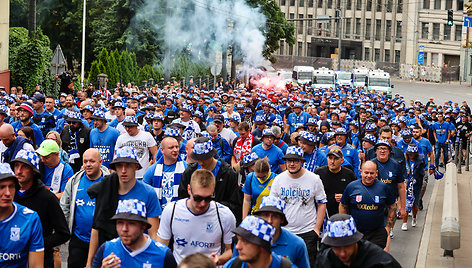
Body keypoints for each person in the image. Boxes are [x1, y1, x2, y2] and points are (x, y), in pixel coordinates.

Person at [85, 147, 162, 268]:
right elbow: (96, 227)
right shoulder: (106, 191)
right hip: (112, 255)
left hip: (140, 254)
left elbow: (154, 233)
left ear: (136, 167)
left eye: (128, 165)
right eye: (119, 166)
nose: (123, 170)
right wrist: (89, 263)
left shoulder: (148, 193)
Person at [157, 169, 236, 265]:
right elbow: (161, 249)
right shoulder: (171, 210)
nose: (202, 204)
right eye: (198, 198)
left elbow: (232, 252)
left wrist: (217, 260)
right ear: (189, 190)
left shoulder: (225, 215)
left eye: (208, 199)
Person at [269, 146, 327, 267]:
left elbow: (322, 203)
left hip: (307, 232)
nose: (292, 164)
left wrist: (316, 229)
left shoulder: (314, 179)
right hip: (284, 231)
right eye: (289, 160)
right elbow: (272, 206)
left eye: (295, 160)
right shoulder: (278, 180)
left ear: (301, 161)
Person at [11, 150, 70, 267]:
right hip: (13, 259)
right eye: (16, 166)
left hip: (41, 260)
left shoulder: (47, 198)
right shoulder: (9, 194)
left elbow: (63, 234)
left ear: (33, 171)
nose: (18, 171)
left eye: (24, 167)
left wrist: (37, 243)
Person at [60, 149, 110, 268]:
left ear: (100, 162)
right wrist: (65, 230)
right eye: (85, 161)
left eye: (92, 161)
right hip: (78, 239)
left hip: (103, 240)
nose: (88, 164)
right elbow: (64, 206)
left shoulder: (110, 182)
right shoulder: (74, 181)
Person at [91, 199, 177, 268]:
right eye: (120, 223)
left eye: (131, 223)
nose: (124, 229)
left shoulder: (163, 254)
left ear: (143, 225)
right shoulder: (106, 249)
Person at [178, 137, 241, 221]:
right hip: (195, 219)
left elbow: (235, 204)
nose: (201, 162)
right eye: (198, 159)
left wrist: (214, 206)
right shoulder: (189, 172)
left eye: (204, 158)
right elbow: (182, 199)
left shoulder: (227, 173)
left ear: (212, 155)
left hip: (219, 220)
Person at [339, 161, 397, 250]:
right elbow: (343, 206)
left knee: (374, 260)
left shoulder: (384, 187)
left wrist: (388, 228)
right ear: (361, 172)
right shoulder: (351, 187)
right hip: (356, 232)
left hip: (377, 233)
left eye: (372, 173)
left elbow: (392, 206)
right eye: (366, 173)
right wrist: (345, 226)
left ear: (376, 173)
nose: (369, 176)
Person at [0, 163, 45, 267]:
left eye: (11, 187)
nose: (7, 193)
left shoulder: (30, 218)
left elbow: (36, 265)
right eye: (1, 187)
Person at [316, 214, 401, 268]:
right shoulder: (325, 261)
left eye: (347, 245)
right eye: (337, 247)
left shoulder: (382, 262)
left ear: (356, 241)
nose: (342, 253)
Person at [252, 196, 310, 268]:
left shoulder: (297, 244)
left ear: (282, 220)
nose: (269, 221)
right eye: (266, 215)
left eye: (275, 216)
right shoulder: (246, 241)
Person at [223, 215, 292, 268]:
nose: (238, 247)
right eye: (238, 240)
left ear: (262, 244)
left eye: (245, 241)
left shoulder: (284, 266)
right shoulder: (234, 265)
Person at [143, 136, 187, 209]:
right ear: (162, 150)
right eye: (171, 148)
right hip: (159, 212)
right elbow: (144, 191)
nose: (175, 150)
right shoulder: (152, 169)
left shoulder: (186, 167)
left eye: (177, 147)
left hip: (180, 212)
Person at [315, 145, 357, 218]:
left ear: (342, 160)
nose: (332, 161)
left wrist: (344, 198)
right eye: (330, 158)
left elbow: (355, 194)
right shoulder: (319, 173)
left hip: (342, 215)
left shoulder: (349, 174)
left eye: (336, 159)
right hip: (322, 214)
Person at [402, 144, 426, 231]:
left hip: (416, 186)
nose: (411, 155)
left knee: (415, 204)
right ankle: (404, 222)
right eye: (409, 154)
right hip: (406, 185)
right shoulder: (404, 161)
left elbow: (422, 173)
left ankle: (414, 217)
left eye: (413, 154)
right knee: (406, 203)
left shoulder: (420, 160)